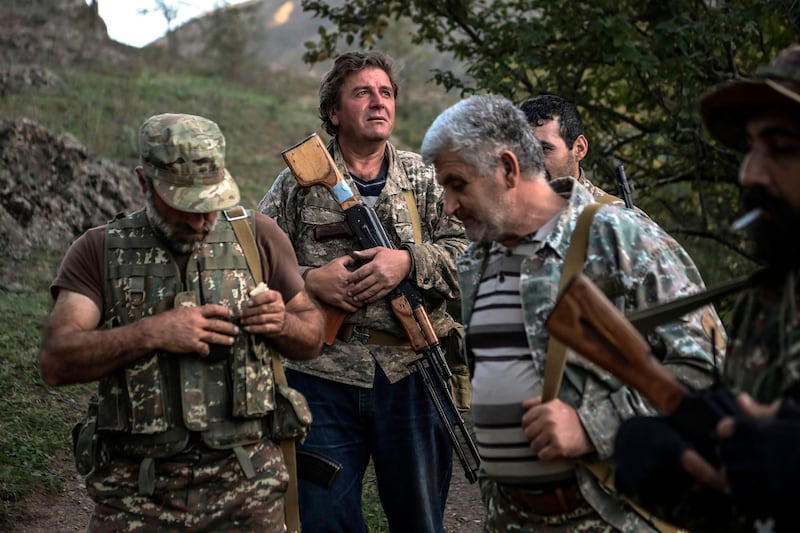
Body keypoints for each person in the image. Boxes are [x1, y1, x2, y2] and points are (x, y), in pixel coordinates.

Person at [420, 93, 724, 531]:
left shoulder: (618, 236)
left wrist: (591, 426)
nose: (448, 206)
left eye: (458, 184)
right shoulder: (477, 261)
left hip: (610, 516)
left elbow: (709, 368)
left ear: (507, 169)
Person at [39, 113, 325, 532]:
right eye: (183, 205)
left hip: (247, 487)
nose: (200, 220)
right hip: (137, 493)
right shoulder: (99, 249)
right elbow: (56, 360)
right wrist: (153, 332)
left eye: (210, 203)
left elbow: (313, 336)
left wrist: (282, 322)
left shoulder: (257, 237)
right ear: (143, 181)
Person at [257, 51, 468, 532]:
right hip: (320, 377)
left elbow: (467, 254)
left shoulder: (426, 178)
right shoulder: (297, 181)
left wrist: (408, 261)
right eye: (362, 92)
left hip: (413, 372)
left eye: (386, 92)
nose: (379, 102)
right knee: (324, 519)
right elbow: (255, 260)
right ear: (334, 113)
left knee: (421, 521)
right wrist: (312, 280)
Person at [613, 43, 800, 533]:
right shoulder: (771, 294)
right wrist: (676, 463)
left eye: (781, 149)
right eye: (750, 148)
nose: (749, 173)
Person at [519, 94, 612, 199]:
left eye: (544, 149)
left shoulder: (611, 213)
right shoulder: (506, 210)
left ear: (579, 148)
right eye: (524, 150)